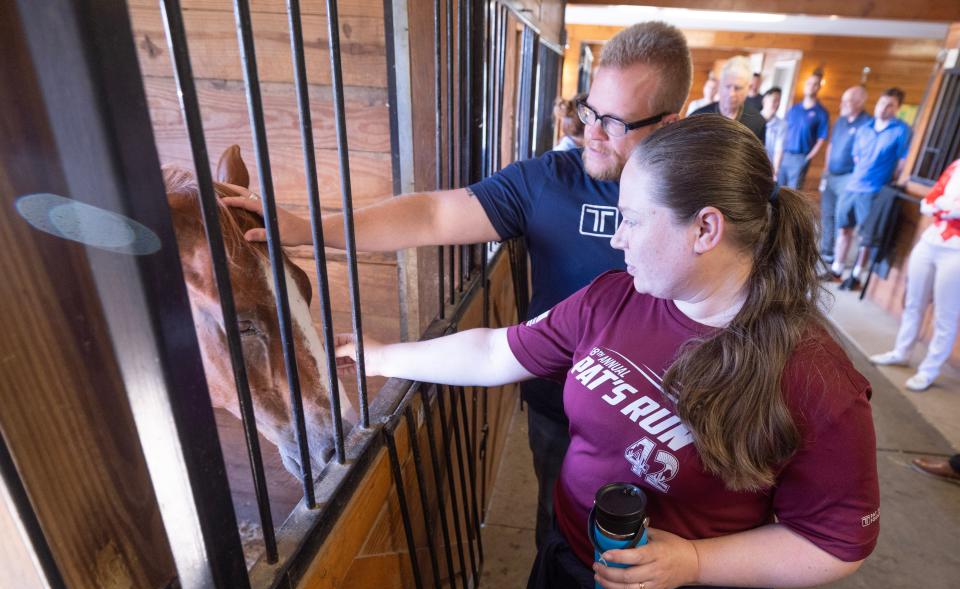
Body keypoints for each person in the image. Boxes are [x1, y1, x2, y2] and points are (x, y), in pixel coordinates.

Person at [335, 115, 879, 589]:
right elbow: (498, 350)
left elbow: (835, 542)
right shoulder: (615, 296)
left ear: (705, 228)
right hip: (577, 555)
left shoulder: (816, 380)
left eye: (631, 219)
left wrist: (693, 562)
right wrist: (383, 356)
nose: (616, 239)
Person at [224, 21, 694, 550]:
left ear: (669, 125)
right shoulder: (549, 182)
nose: (592, 131)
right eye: (589, 110)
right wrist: (315, 229)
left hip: (673, 421)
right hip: (559, 404)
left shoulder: (706, 202)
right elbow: (430, 215)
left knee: (668, 539)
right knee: (559, 523)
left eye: (614, 121)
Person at [868, 159, 960, 391]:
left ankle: (929, 370)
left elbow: (942, 206)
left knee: (945, 315)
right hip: (931, 239)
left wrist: (944, 206)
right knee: (913, 302)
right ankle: (902, 351)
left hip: (956, 249)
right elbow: (928, 202)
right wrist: (946, 206)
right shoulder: (955, 165)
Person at [833, 88, 912, 290]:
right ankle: (837, 269)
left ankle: (856, 275)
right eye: (881, 103)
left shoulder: (901, 130)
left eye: (890, 105)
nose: (883, 108)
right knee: (843, 228)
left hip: (874, 190)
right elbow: (856, 156)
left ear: (898, 108)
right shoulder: (864, 127)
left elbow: (902, 163)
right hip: (853, 186)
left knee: (865, 237)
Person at [819, 85, 871, 272]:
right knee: (827, 214)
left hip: (848, 177)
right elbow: (831, 146)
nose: (842, 104)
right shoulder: (841, 120)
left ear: (859, 102)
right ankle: (826, 252)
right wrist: (825, 171)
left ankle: (837, 259)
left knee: (842, 219)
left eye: (847, 101)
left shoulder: (866, 124)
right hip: (831, 174)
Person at [690, 56, 765, 143]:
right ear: (720, 85)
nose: (731, 93)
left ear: (747, 89)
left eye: (737, 88)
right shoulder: (698, 118)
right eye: (727, 86)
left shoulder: (757, 122)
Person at [775, 71, 829, 189]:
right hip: (784, 155)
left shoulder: (821, 113)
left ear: (818, 87)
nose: (811, 86)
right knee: (777, 191)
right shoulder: (794, 109)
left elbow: (821, 139)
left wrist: (808, 157)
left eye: (815, 84)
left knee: (792, 195)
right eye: (809, 83)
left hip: (801, 157)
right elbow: (783, 131)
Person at [760, 86, 785, 168]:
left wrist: (775, 170)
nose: (777, 104)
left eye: (779, 101)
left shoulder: (782, 125)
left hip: (767, 167)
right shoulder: (753, 118)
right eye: (774, 100)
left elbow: (779, 150)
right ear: (765, 100)